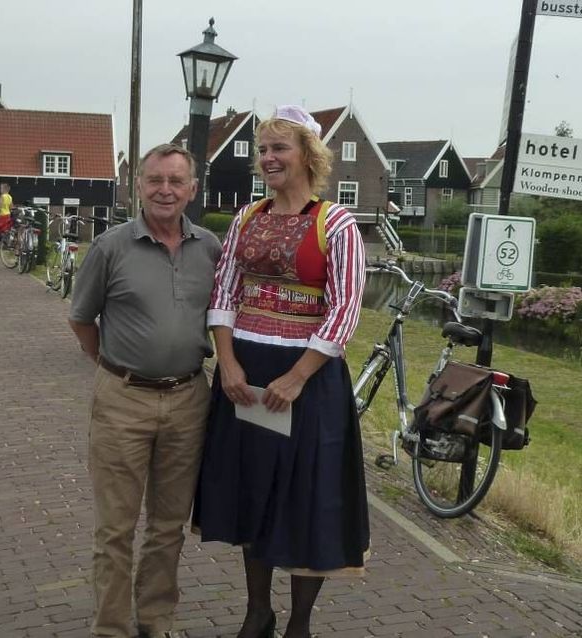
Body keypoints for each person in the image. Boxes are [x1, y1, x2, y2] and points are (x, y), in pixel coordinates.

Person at [192, 106, 369, 638]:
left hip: (307, 380)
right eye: (262, 150)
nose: (267, 158)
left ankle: (300, 623)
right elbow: (223, 291)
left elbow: (345, 309)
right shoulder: (247, 218)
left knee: (304, 495)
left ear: (307, 156)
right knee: (253, 488)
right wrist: (226, 362)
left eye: (279, 149)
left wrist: (297, 376)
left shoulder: (335, 222)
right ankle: (257, 612)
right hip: (245, 371)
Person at [68, 143, 222, 638]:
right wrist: (114, 368)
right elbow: (81, 319)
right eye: (155, 180)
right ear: (139, 185)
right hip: (123, 399)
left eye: (177, 181)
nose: (165, 190)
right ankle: (111, 627)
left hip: (188, 399)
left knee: (167, 526)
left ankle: (156, 622)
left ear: (193, 190)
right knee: (115, 528)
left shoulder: (212, 249)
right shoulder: (110, 247)